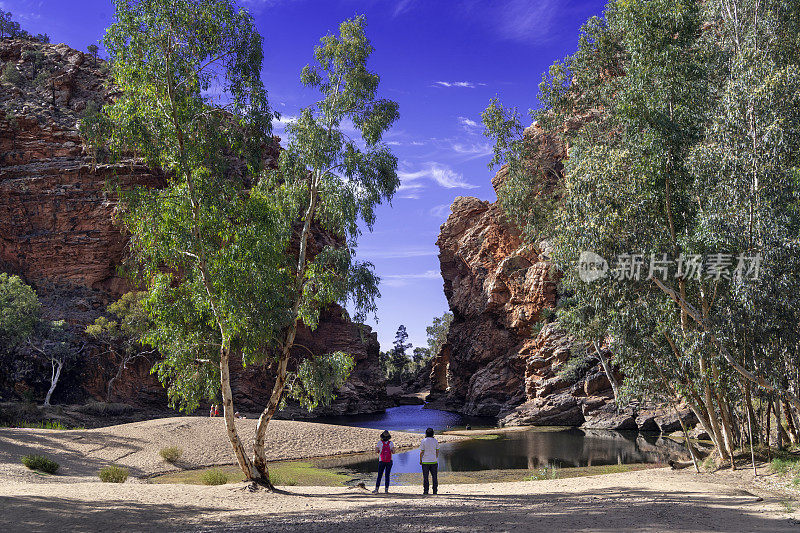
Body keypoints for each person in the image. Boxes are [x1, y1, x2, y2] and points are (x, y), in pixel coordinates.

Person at [373, 429, 395, 493]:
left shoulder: (379, 443)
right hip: (389, 461)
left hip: (381, 460)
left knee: (379, 475)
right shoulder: (391, 443)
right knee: (387, 475)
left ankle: (376, 489)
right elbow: (393, 452)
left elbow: (376, 451)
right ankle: (386, 490)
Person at [419, 427, 439, 495]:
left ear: (426, 433)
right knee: (434, 476)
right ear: (432, 433)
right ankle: (435, 490)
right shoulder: (435, 440)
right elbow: (437, 450)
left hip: (425, 461)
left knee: (425, 477)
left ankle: (426, 491)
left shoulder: (423, 441)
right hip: (434, 461)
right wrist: (436, 457)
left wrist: (420, 460)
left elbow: (421, 452)